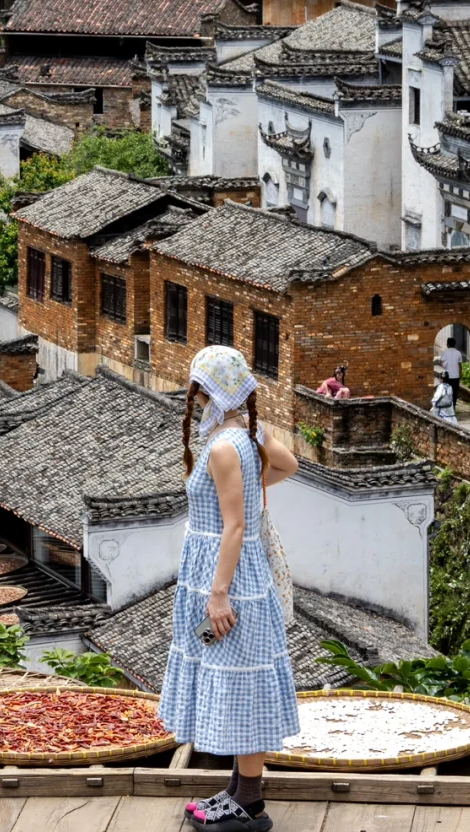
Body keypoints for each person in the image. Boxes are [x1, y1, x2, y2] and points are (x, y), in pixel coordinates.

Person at [160, 346, 300, 832]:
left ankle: (252, 804)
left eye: (196, 388)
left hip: (228, 586)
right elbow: (289, 465)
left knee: (240, 682)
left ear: (207, 391)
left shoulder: (222, 447)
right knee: (226, 671)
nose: (192, 398)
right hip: (235, 580)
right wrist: (250, 480)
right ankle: (240, 793)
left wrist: (218, 594)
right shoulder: (247, 433)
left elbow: (235, 526)